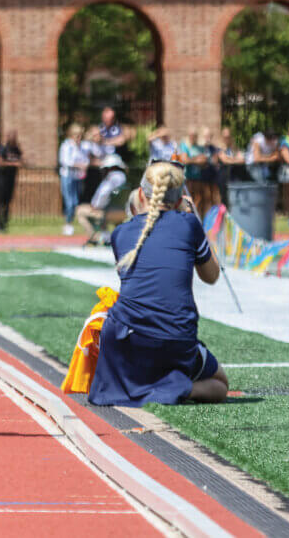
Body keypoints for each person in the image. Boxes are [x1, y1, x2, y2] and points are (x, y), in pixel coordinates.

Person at [89, 160, 228, 406]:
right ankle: (179, 389)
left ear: (141, 193)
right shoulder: (189, 225)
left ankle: (143, 385)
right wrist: (192, 217)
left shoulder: (120, 234)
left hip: (125, 338)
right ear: (179, 199)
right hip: (174, 339)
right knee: (220, 385)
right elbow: (211, 275)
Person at [74, 153, 128, 244]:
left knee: (79, 211)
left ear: (109, 167)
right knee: (102, 210)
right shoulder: (124, 178)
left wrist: (95, 206)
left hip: (108, 213)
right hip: (122, 212)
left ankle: (96, 238)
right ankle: (107, 236)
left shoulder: (111, 178)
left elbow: (103, 193)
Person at [58, 123, 89, 236]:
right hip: (67, 176)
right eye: (77, 135)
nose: (79, 138)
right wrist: (78, 165)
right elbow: (65, 161)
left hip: (77, 177)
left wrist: (84, 166)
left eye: (80, 135)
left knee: (75, 202)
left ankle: (70, 223)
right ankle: (67, 224)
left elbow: (85, 159)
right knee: (70, 202)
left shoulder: (82, 146)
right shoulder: (66, 146)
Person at [0, 129, 22, 233]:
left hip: (11, 180)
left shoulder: (16, 149)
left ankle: (5, 223)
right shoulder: (3, 149)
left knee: (7, 203)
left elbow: (21, 161)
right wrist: (13, 164)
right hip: (1, 180)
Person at [214, 127, 247, 207]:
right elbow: (225, 160)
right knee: (224, 200)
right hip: (223, 179)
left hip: (234, 178)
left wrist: (230, 159)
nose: (226, 139)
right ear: (222, 137)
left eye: (228, 137)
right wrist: (235, 160)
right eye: (225, 137)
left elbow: (243, 160)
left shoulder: (234, 148)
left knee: (234, 200)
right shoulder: (219, 149)